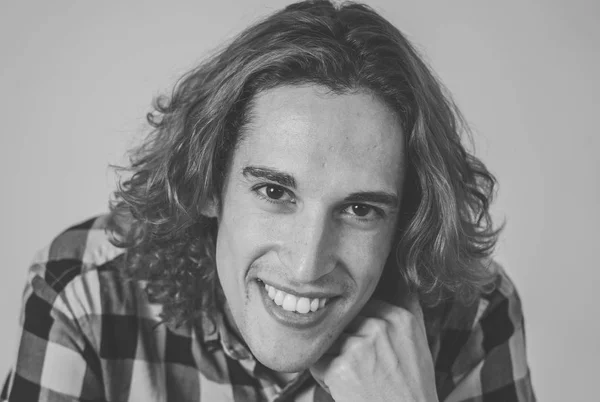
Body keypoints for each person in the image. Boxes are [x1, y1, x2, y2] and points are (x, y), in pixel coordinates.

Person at [2, 1, 536, 401]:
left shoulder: (474, 316)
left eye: (359, 210)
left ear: (407, 220)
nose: (307, 265)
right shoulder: (84, 293)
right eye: (275, 192)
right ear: (207, 183)